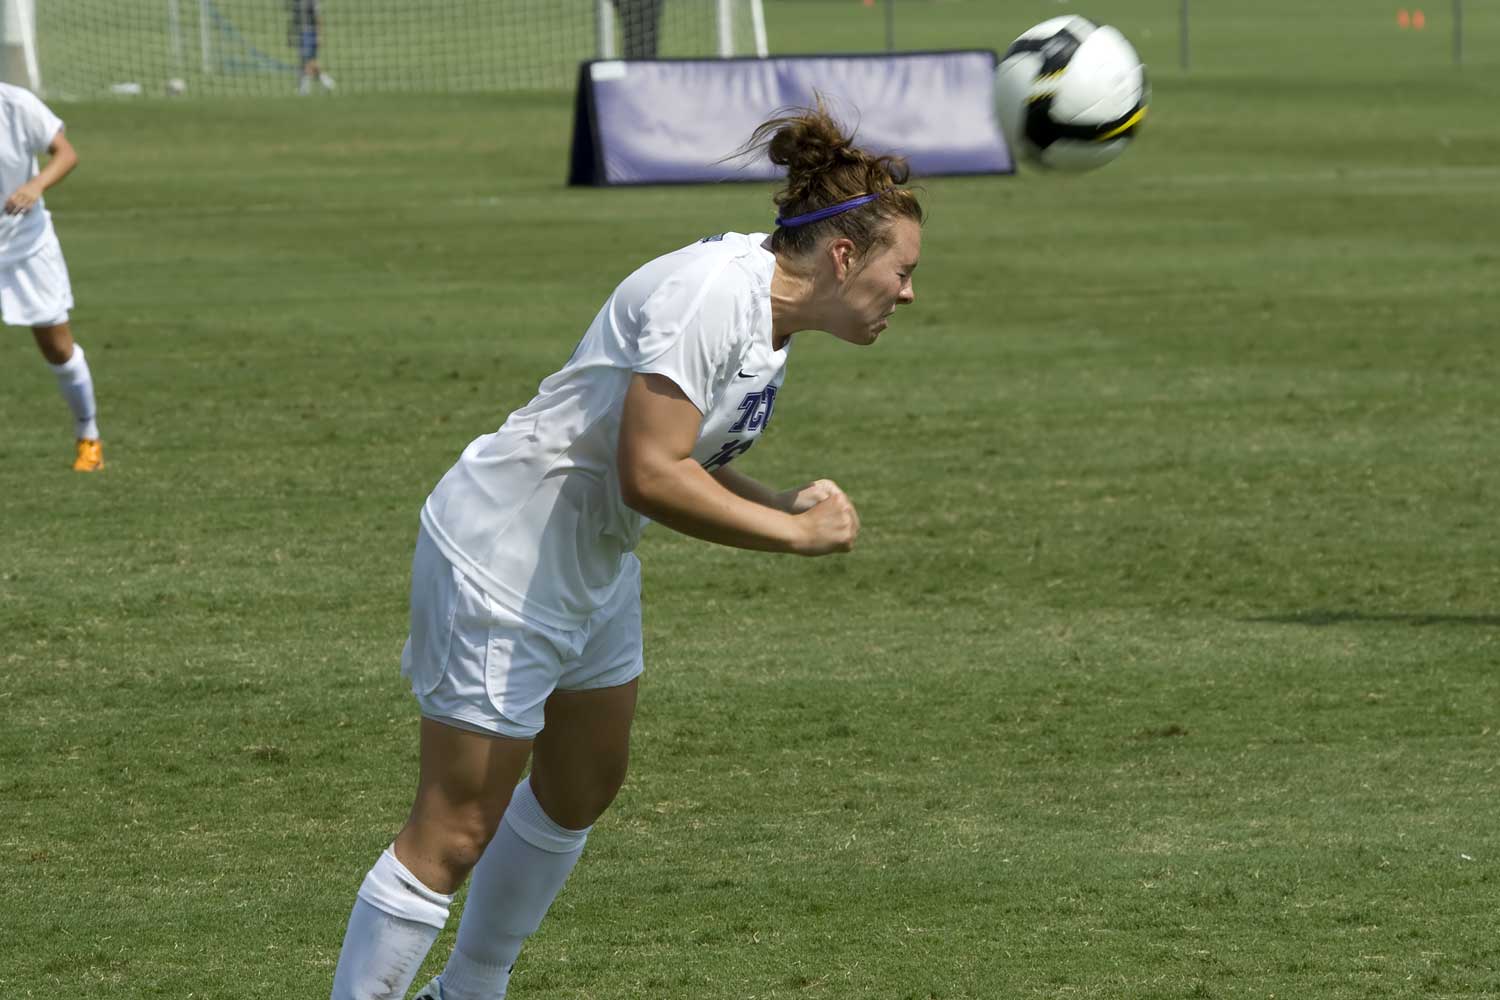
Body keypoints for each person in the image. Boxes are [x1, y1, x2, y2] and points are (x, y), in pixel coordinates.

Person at [328, 102, 923, 1000]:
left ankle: (470, 991)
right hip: (508, 553)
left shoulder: (771, 320)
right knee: (453, 829)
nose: (908, 294)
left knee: (582, 783)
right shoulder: (712, 295)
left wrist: (778, 498)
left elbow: (679, 455)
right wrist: (795, 534)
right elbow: (648, 473)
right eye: (902, 271)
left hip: (590, 560)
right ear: (844, 257)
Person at [0, 83, 100, 472]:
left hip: (26, 243)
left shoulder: (16, 104)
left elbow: (66, 153)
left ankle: (88, 435)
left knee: (57, 348)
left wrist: (35, 185)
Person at [288, 0, 335, 94]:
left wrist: (319, 36)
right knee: (309, 61)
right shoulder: (296, 2)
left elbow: (318, 18)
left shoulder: (312, 2)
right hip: (301, 34)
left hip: (310, 33)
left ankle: (304, 89)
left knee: (307, 61)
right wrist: (290, 35)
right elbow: (294, 20)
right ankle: (327, 82)